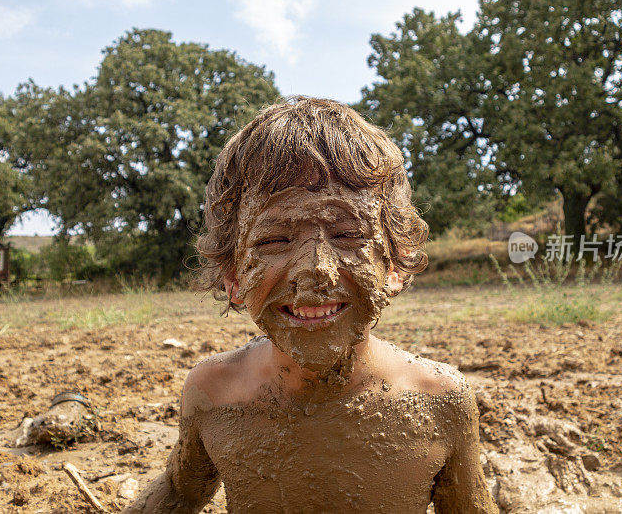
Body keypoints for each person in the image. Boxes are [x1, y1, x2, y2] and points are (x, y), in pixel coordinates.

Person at [125, 97, 497, 513]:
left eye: (348, 235)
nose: (316, 270)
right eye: (274, 241)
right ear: (234, 277)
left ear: (393, 264)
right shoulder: (214, 393)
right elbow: (179, 492)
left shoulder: (440, 401)